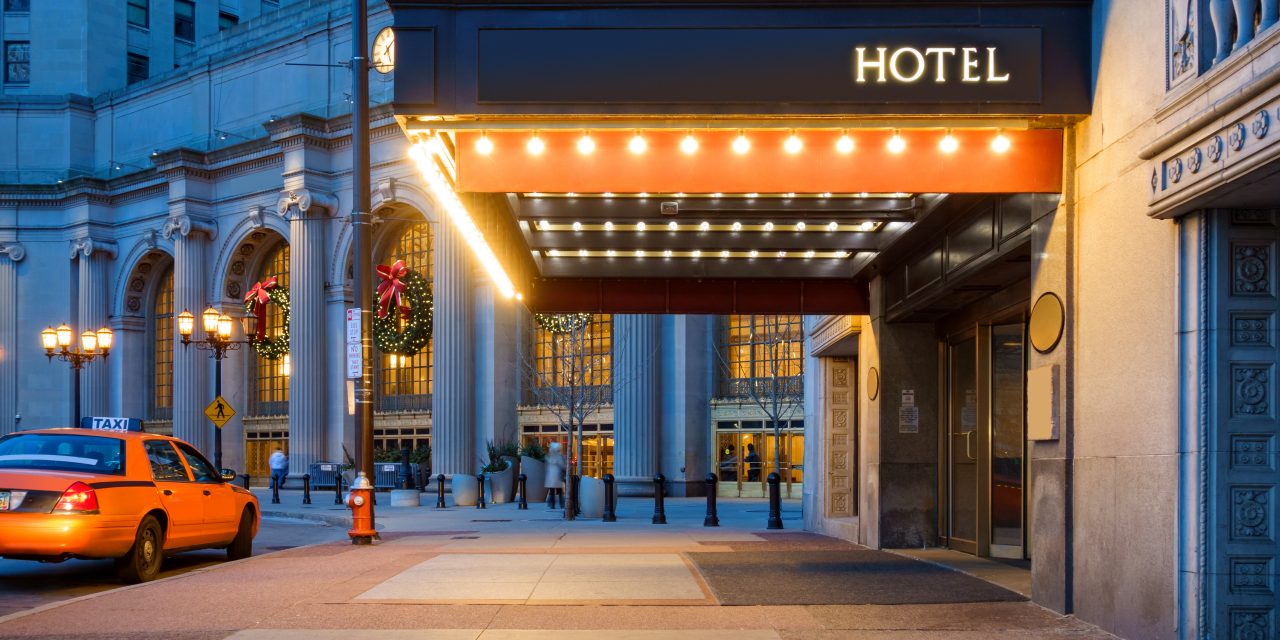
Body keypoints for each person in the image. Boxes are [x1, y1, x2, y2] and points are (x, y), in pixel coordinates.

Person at [544, 441, 566, 509]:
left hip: (552, 476)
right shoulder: (558, 457)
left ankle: (552, 504)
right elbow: (562, 465)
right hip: (557, 475)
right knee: (559, 491)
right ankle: (560, 504)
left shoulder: (549, 456)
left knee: (552, 491)